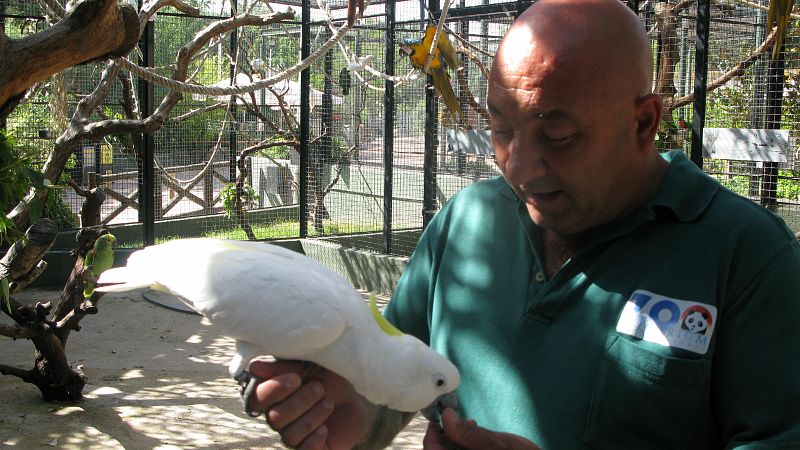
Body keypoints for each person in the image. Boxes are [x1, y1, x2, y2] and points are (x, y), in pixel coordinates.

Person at [248, 0, 800, 447]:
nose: (520, 167)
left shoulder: (746, 256)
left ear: (644, 121)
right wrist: (353, 416)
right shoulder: (464, 223)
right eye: (501, 128)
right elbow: (394, 384)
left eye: (558, 136)